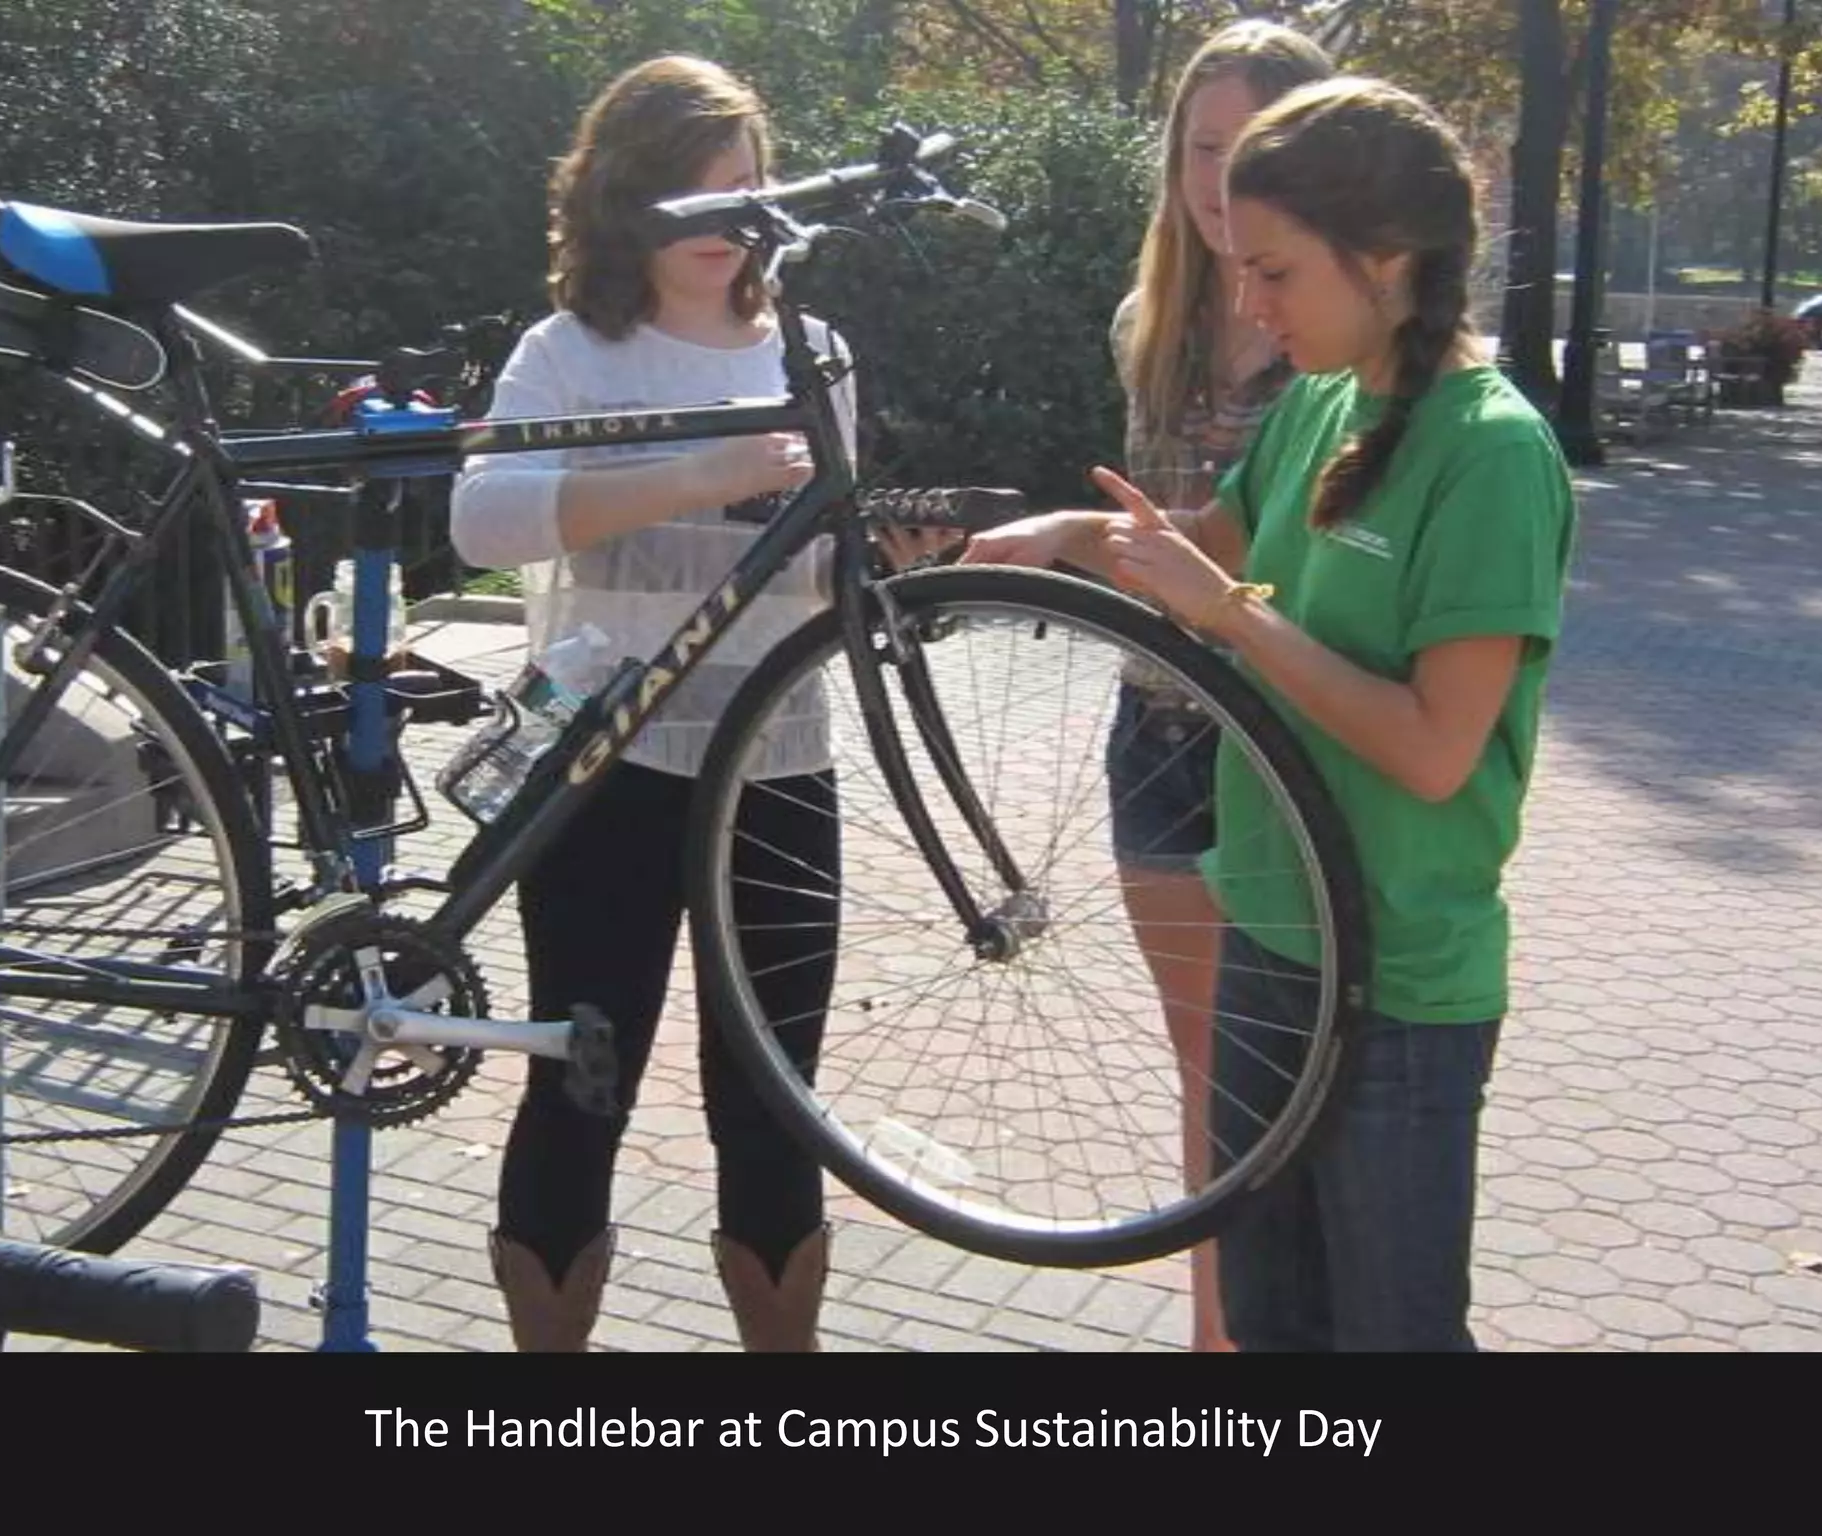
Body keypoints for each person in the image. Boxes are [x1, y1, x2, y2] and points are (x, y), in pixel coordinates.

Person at [969, 76, 1576, 1350]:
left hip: (1398, 982)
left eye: (1276, 273)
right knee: (1270, 1322)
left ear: (1388, 259)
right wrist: (1068, 536)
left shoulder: (1490, 452)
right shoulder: (1317, 403)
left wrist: (1232, 613)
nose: (1247, 304)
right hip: (1269, 935)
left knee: (1391, 1337)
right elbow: (1207, 549)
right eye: (1240, 269)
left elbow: (1429, 749)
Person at [449, 55, 937, 1352]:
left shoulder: (809, 352)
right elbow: (480, 514)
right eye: (701, 194)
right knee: (578, 1092)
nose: (734, 224)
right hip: (607, 772)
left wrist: (889, 557)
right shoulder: (570, 353)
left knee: (773, 1105)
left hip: (776, 775)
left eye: (752, 193)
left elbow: (817, 570)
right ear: (629, 198)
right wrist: (698, 472)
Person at [964, 18, 1333, 1352]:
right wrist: (1065, 538)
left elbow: (1260, 552)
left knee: (1298, 1083)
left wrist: (1081, 537)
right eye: (1200, 149)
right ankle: (1215, 1351)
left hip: (1295, 735)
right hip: (1163, 727)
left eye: (1250, 151)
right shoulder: (1151, 318)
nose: (1220, 184)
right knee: (1211, 1076)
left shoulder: (1346, 339)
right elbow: (1159, 537)